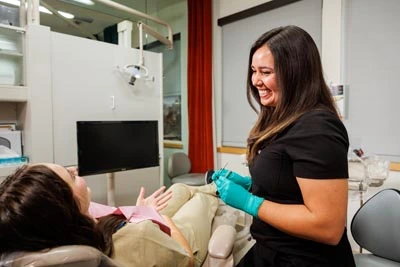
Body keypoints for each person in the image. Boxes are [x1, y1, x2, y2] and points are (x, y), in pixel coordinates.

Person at [211, 25, 356, 267]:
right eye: (253, 71)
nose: (256, 80)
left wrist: (250, 202)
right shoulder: (283, 120)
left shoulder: (318, 127)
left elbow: (327, 227)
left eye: (265, 72)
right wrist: (252, 186)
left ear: (295, 74)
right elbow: (290, 185)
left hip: (304, 260)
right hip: (271, 250)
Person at [0, 163, 223, 267]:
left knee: (180, 189)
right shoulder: (138, 238)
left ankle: (214, 183)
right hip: (172, 236)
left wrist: (140, 209)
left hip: (140, 217)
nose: (76, 170)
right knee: (201, 199)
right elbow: (187, 259)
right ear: (69, 205)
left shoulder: (59, 229)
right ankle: (220, 187)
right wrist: (165, 220)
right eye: (70, 175)